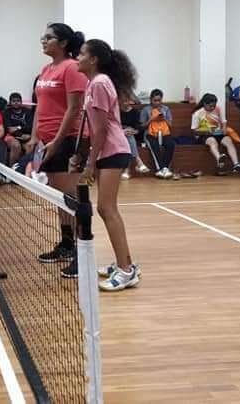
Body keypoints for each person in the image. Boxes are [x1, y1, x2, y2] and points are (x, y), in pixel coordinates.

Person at [74, 39, 141, 291]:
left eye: (82, 54)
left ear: (93, 60)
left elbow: (101, 129)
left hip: (113, 150)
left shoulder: (100, 83)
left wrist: (90, 165)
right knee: (106, 209)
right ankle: (126, 263)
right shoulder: (94, 83)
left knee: (107, 208)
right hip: (106, 150)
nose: (77, 57)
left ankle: (126, 271)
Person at [27, 23, 88, 277]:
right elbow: (40, 107)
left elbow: (74, 109)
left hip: (69, 140)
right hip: (48, 140)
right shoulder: (46, 69)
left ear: (63, 43)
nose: (43, 40)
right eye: (43, 36)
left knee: (71, 196)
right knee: (60, 197)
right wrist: (35, 137)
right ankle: (66, 244)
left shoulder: (72, 68)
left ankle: (81, 252)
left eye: (49, 37)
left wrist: (58, 141)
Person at [190, 93, 240, 176]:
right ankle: (219, 158)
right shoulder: (197, 113)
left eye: (214, 106)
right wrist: (206, 132)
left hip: (218, 133)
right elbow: (194, 130)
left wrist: (224, 129)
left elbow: (223, 122)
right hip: (204, 134)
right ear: (204, 104)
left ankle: (236, 164)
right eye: (210, 106)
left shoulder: (218, 109)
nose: (212, 108)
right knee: (212, 141)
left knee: (228, 140)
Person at [140, 89, 176, 179]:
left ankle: (165, 168)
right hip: (150, 134)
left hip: (164, 133)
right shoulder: (146, 110)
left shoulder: (166, 109)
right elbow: (142, 126)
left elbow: (170, 125)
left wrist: (164, 118)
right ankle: (160, 169)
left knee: (171, 144)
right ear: (150, 100)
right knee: (154, 146)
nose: (157, 103)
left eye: (159, 100)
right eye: (155, 100)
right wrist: (151, 119)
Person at [119, 99, 150, 179]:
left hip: (133, 135)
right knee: (128, 137)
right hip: (119, 135)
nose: (125, 102)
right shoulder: (117, 111)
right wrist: (123, 131)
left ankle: (126, 170)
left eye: (127, 100)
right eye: (123, 100)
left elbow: (139, 126)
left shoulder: (135, 112)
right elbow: (115, 125)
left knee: (129, 138)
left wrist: (135, 131)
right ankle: (138, 161)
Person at [4, 92, 33, 165]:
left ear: (21, 102)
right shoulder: (7, 112)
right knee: (16, 145)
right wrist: (20, 135)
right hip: (12, 136)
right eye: (13, 101)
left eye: (18, 101)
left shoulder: (28, 111)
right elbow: (9, 129)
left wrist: (18, 128)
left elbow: (30, 126)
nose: (16, 103)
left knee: (30, 146)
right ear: (10, 102)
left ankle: (24, 167)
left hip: (26, 135)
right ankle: (12, 168)